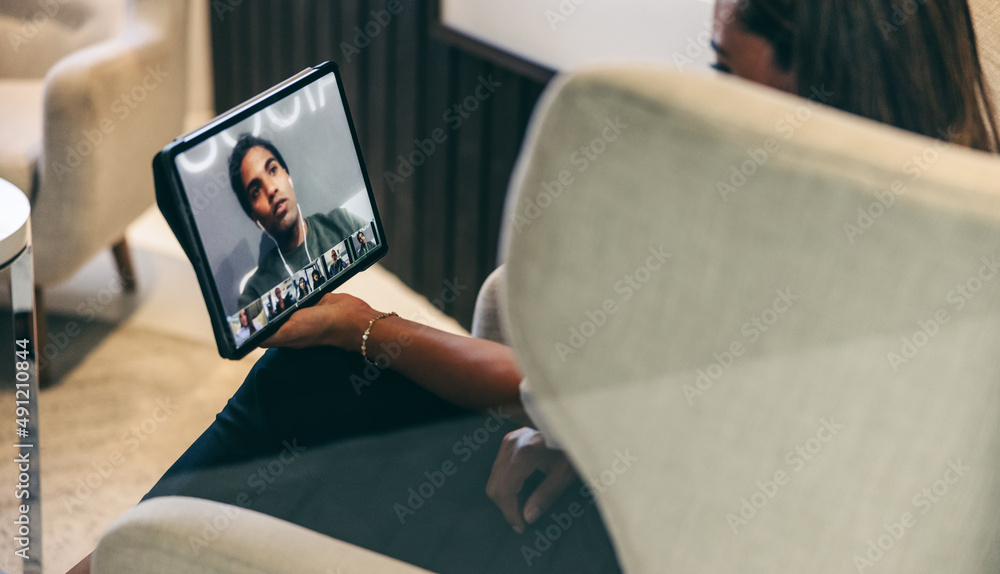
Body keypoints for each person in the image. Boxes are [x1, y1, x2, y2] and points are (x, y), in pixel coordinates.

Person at [67, 1, 998, 572]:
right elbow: (600, 400)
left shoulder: (772, 262)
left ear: (834, 97)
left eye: (728, 72)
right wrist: (587, 443)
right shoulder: (943, 231)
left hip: (590, 543)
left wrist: (589, 451)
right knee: (315, 371)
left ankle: (126, 560)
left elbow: (575, 398)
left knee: (286, 413)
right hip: (610, 502)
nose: (713, 104)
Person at [232, 134, 370, 308]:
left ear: (287, 175)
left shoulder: (343, 223)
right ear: (254, 218)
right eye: (256, 190)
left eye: (272, 170)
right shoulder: (255, 296)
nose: (271, 189)